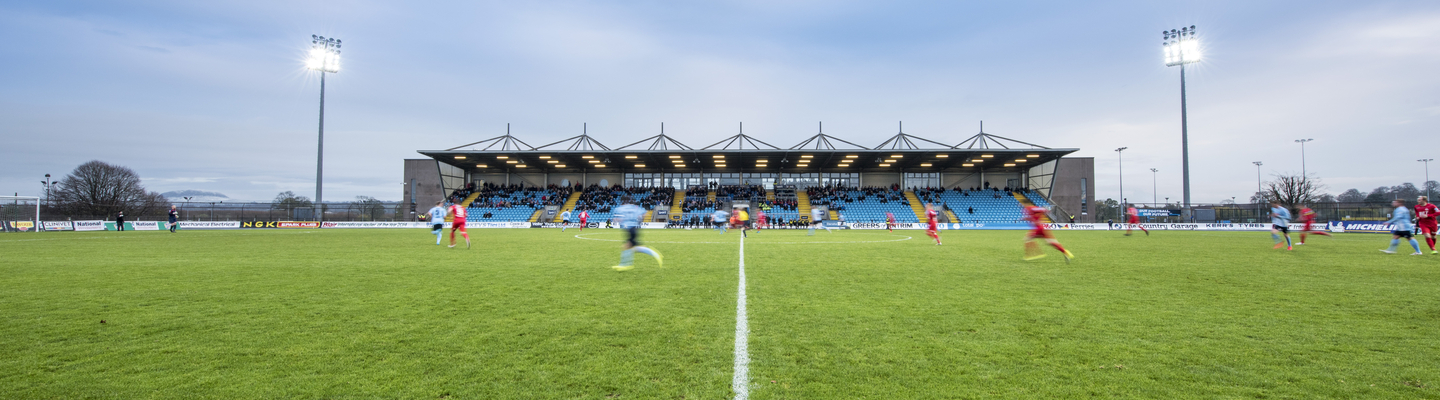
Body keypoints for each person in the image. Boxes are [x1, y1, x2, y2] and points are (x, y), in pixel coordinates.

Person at [612, 196, 662, 271]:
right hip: (634, 228)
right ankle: (626, 264)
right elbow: (646, 214)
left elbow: (619, 218)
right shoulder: (635, 207)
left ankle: (654, 254)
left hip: (630, 229)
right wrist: (639, 221)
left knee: (629, 247)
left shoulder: (621, 208)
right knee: (630, 247)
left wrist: (616, 220)